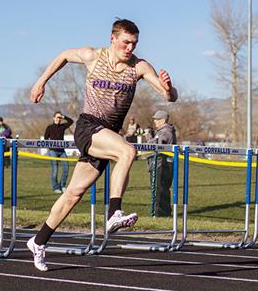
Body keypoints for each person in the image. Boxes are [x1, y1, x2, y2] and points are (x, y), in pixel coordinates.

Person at [28, 19, 178, 271]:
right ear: (112, 38)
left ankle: (38, 241)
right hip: (88, 126)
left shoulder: (139, 67)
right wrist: (41, 81)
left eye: (134, 43)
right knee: (127, 151)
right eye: (125, 42)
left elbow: (169, 97)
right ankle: (113, 213)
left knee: (73, 194)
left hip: (107, 133)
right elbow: (64, 55)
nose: (130, 47)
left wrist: (169, 87)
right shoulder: (93, 56)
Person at [147, 110, 177, 217]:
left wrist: (149, 137)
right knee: (159, 188)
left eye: (157, 119)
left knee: (160, 189)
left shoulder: (166, 132)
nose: (155, 121)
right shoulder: (161, 131)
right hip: (160, 162)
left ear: (163, 120)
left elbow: (157, 146)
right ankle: (162, 213)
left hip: (162, 163)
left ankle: (160, 213)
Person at [44, 111, 74, 194]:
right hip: (53, 151)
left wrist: (64, 116)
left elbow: (71, 121)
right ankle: (55, 187)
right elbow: (46, 138)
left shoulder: (62, 126)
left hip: (62, 151)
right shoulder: (49, 127)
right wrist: (49, 148)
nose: (58, 119)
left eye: (60, 118)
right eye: (57, 117)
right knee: (55, 170)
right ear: (53, 118)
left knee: (66, 168)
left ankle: (63, 186)